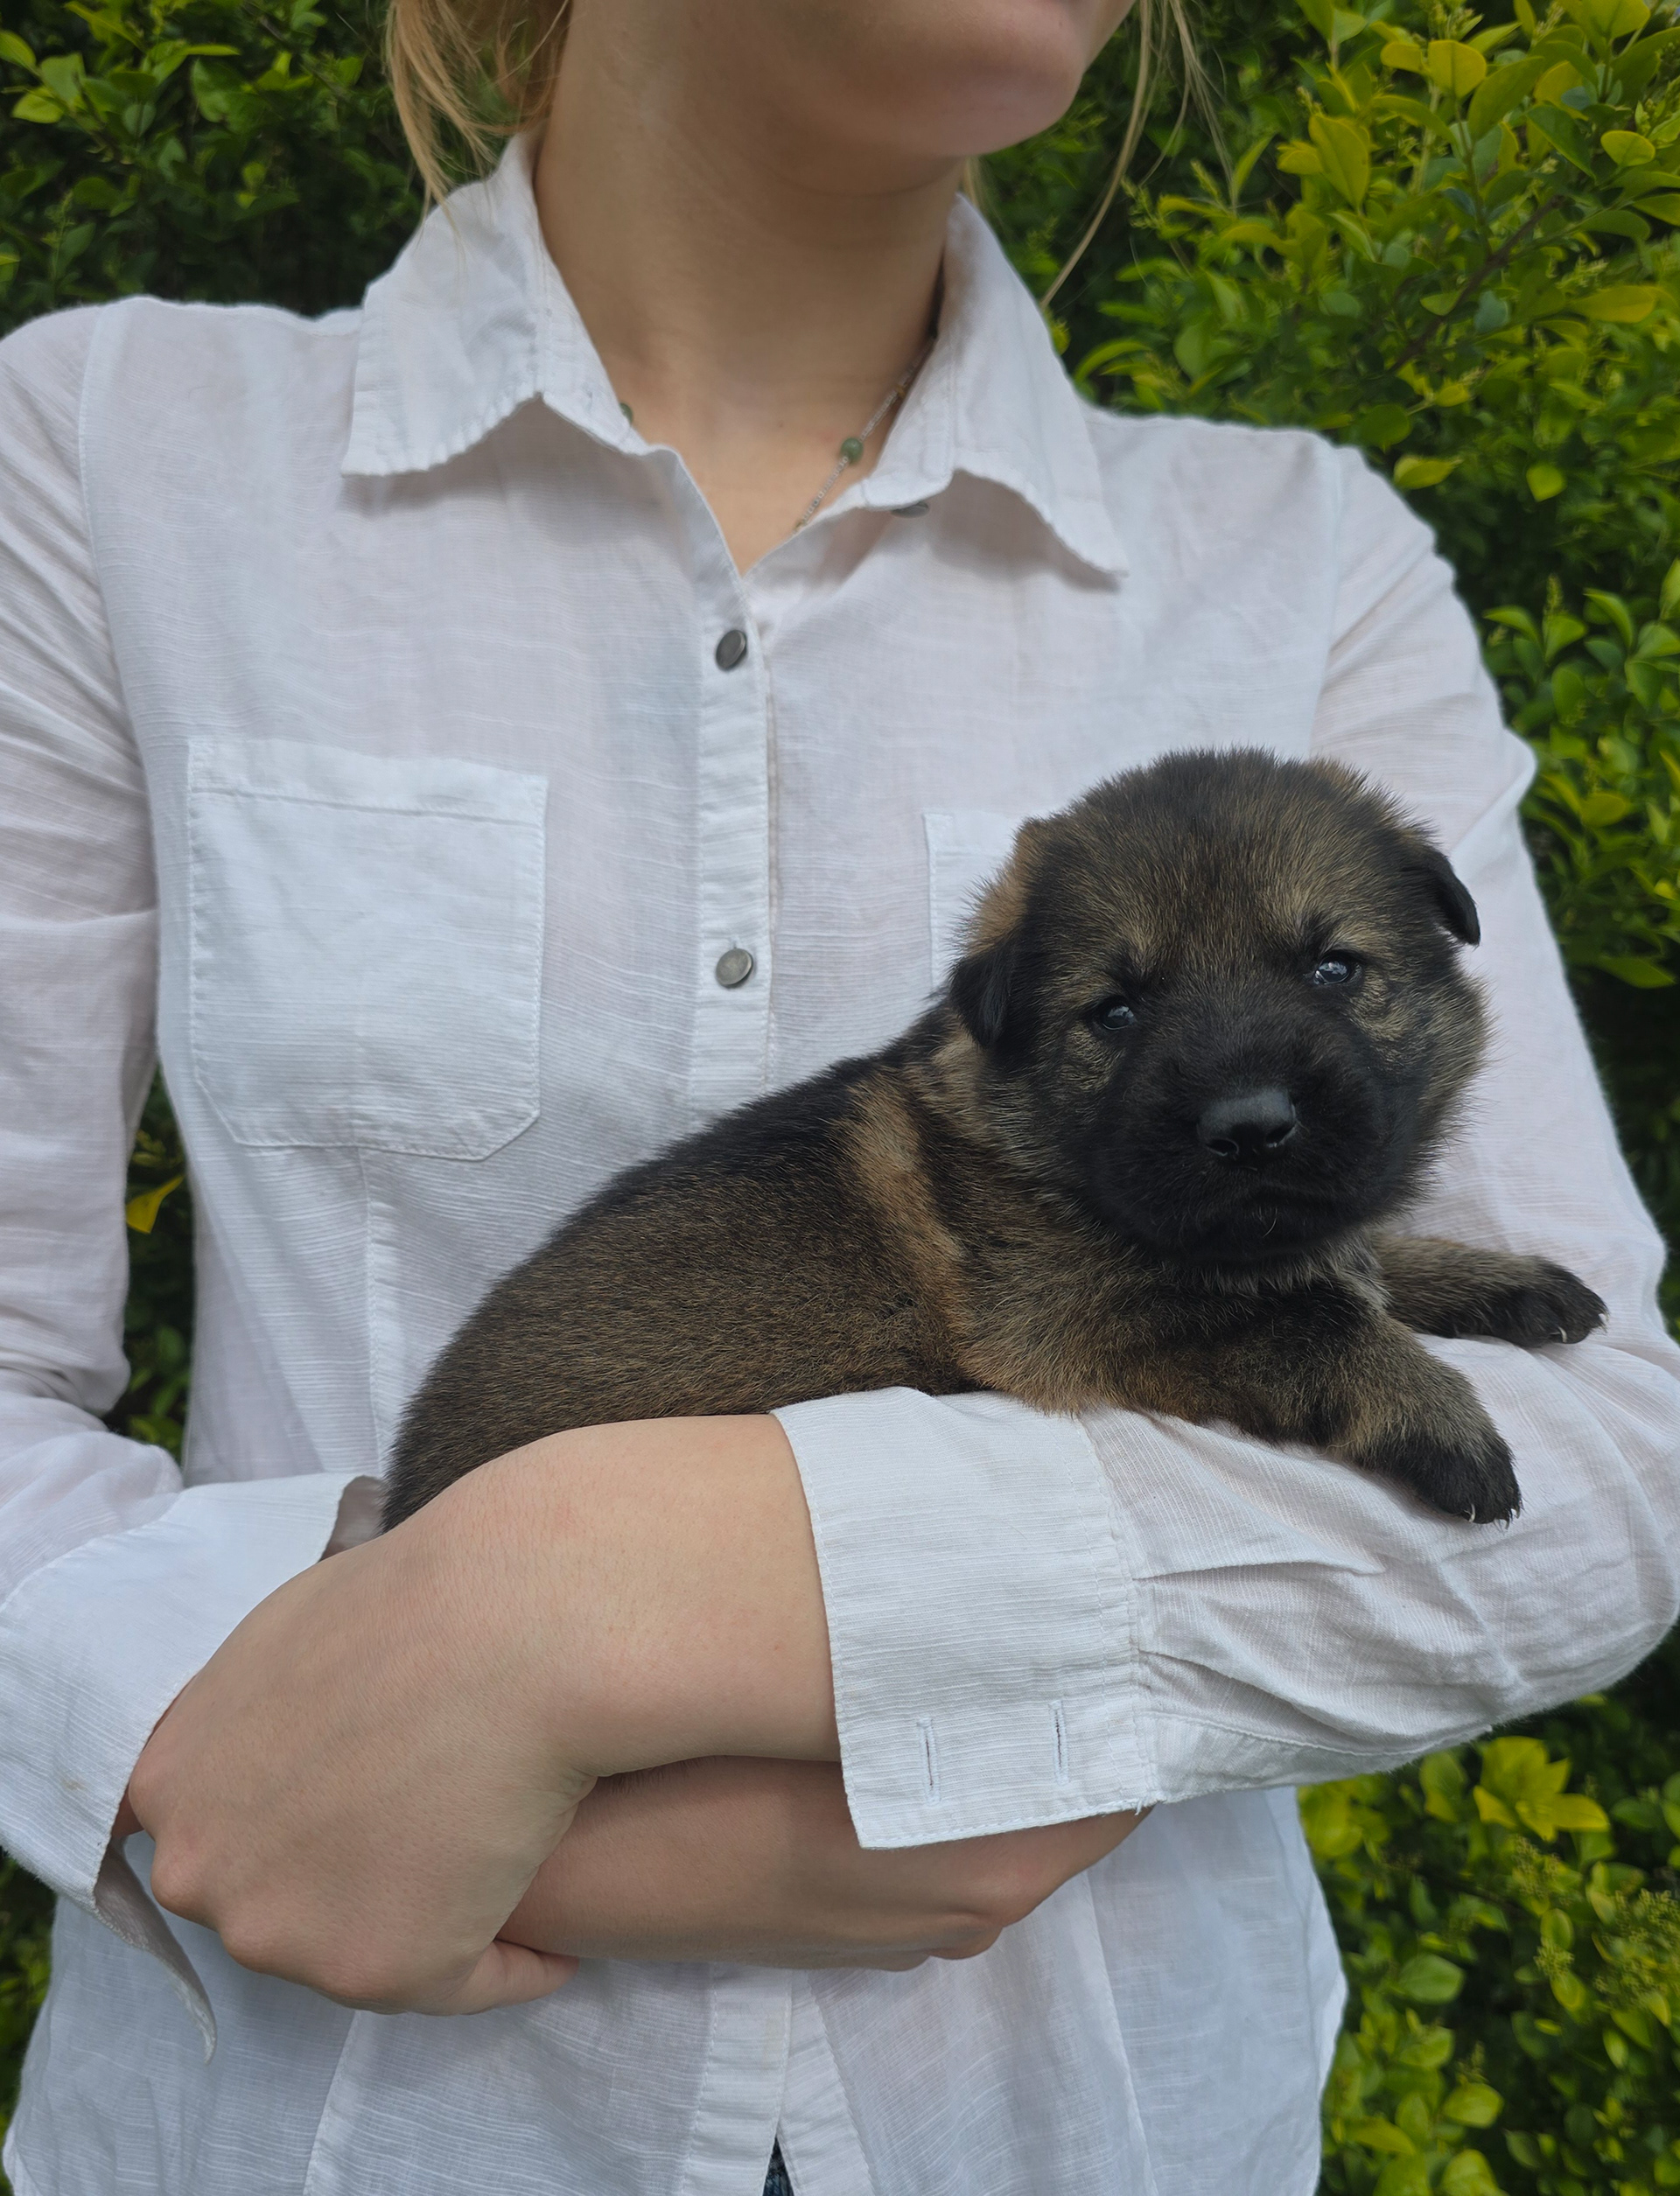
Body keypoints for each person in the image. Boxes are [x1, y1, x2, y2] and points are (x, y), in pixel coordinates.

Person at [0, 0, 1676, 2187]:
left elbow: (1609, 1458)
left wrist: (585, 1598)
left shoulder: (1301, 557)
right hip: (328, 2117)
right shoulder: (116, 450)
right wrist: (207, 1751)